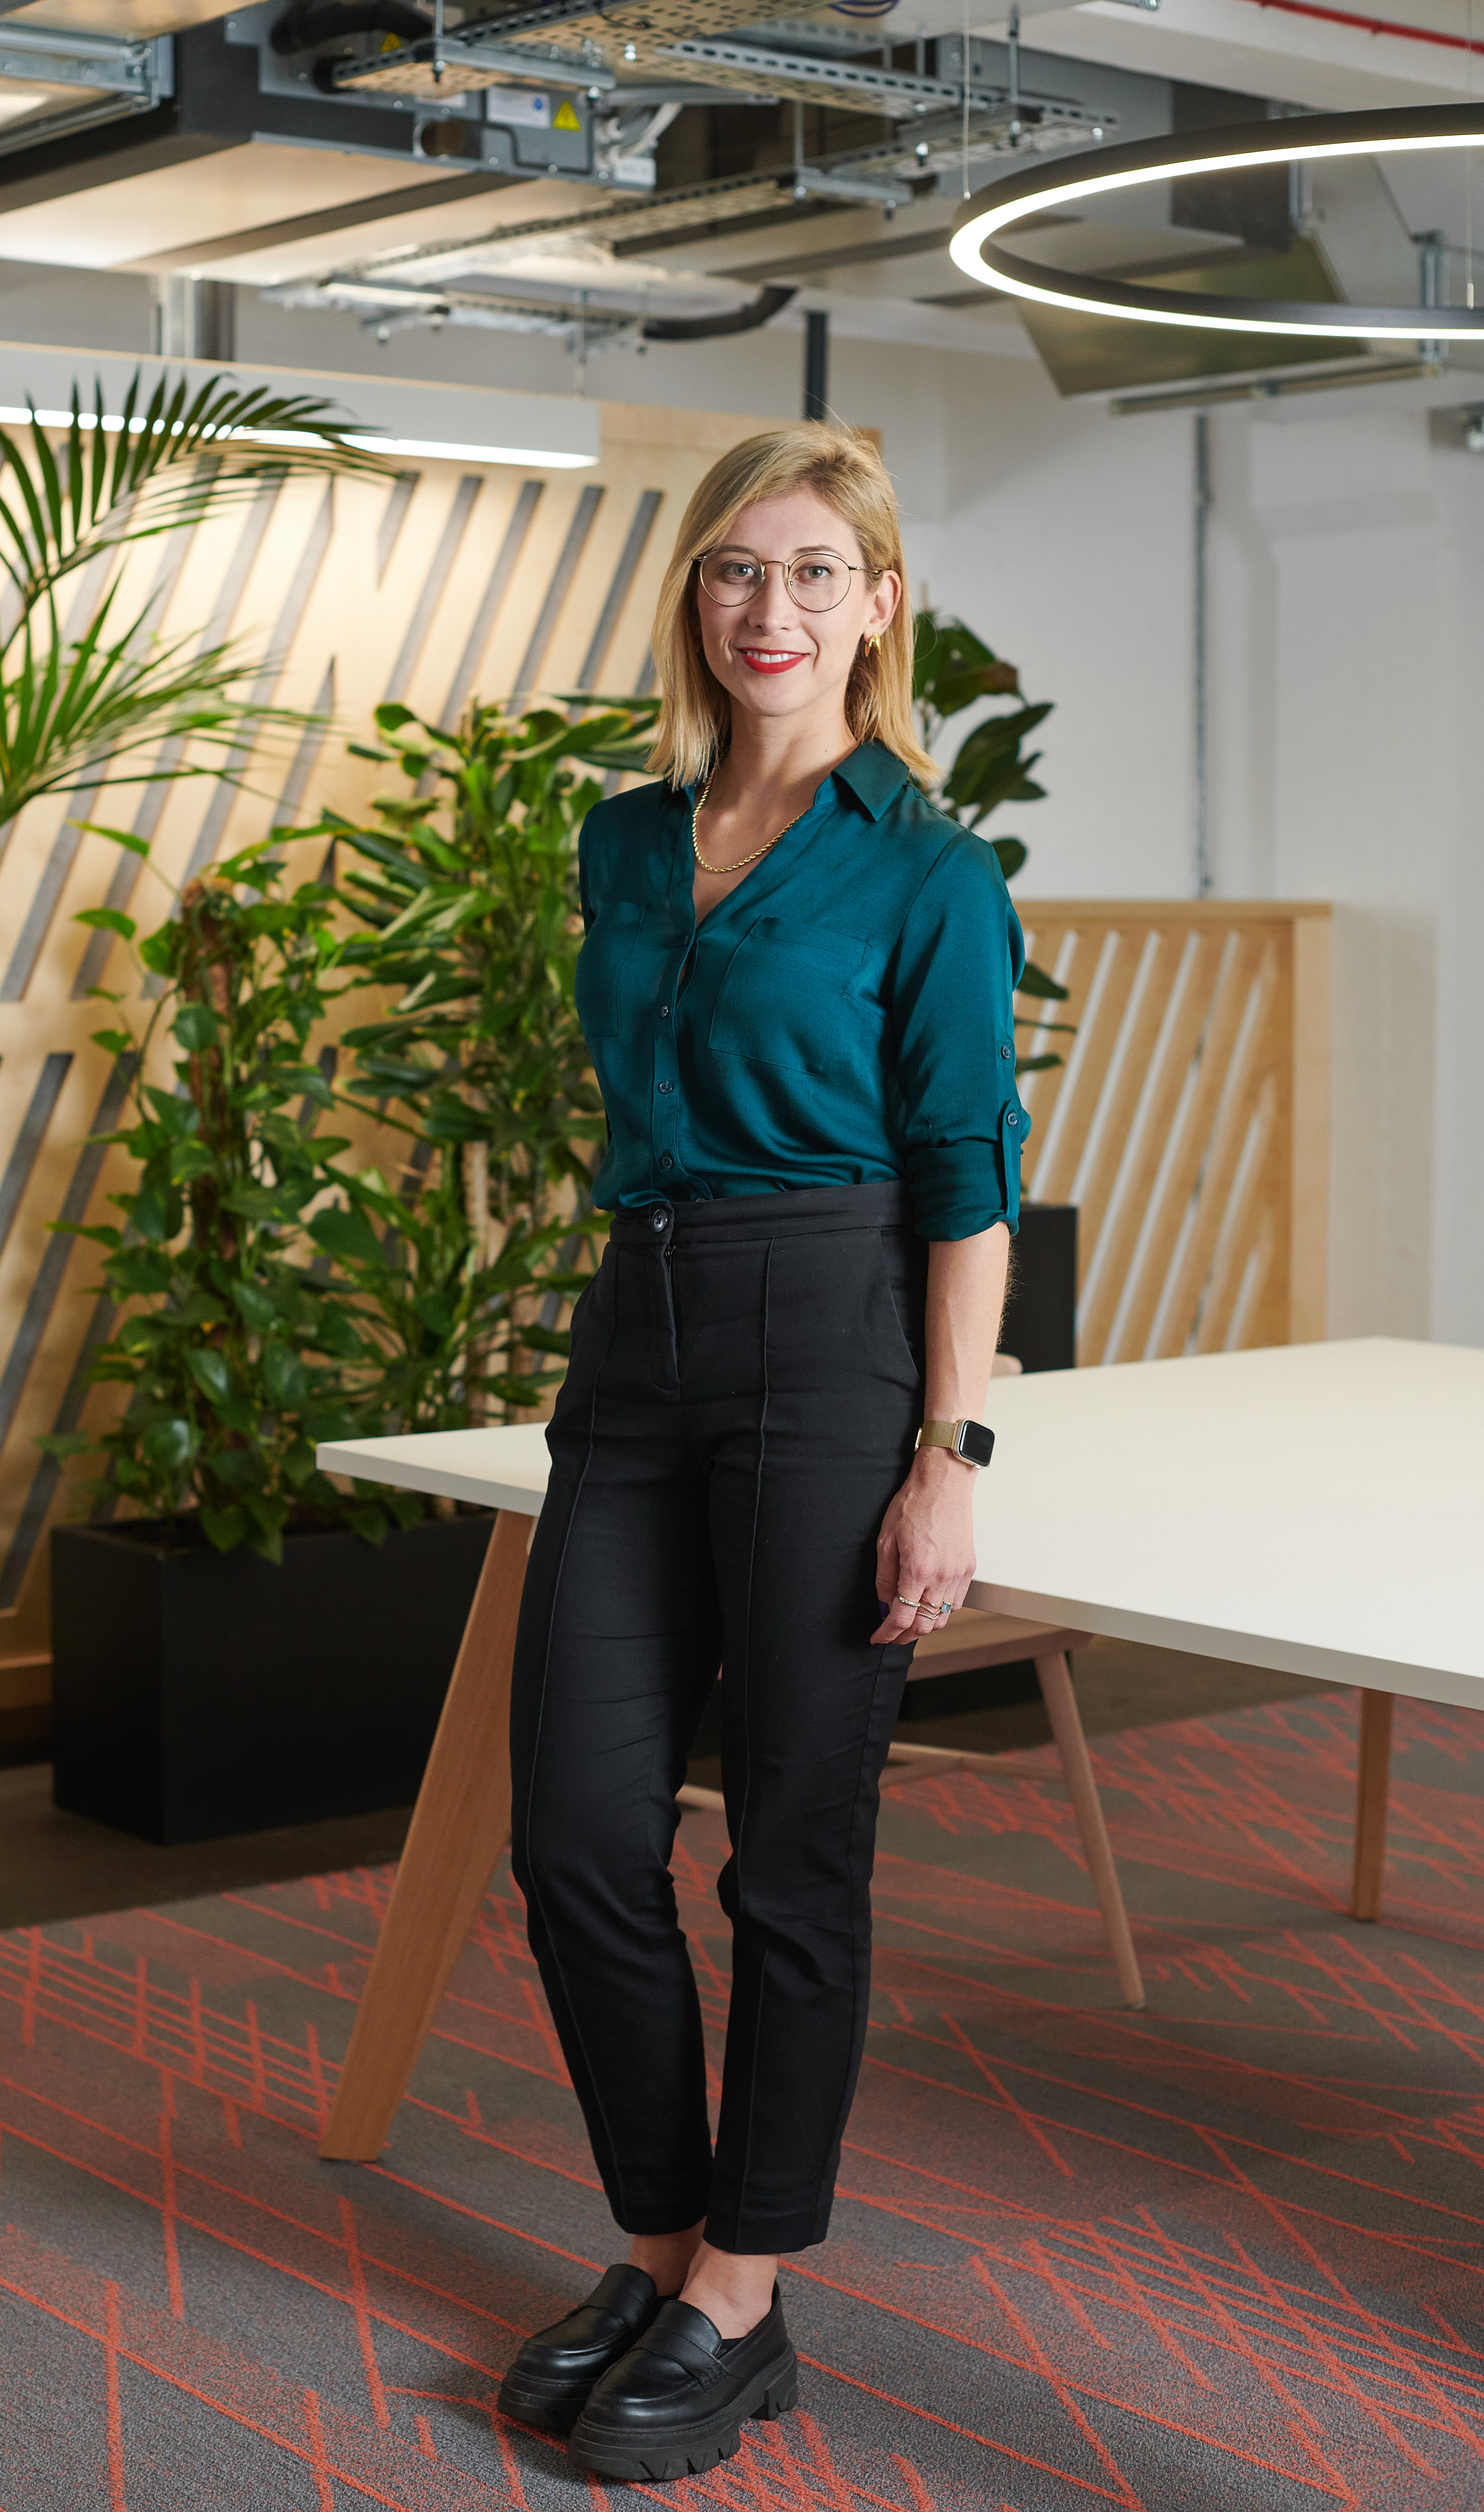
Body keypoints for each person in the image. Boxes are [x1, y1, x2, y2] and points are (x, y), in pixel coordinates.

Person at [496, 421, 1029, 2484]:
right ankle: (659, 2247)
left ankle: (744, 2296)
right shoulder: (624, 844)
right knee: (573, 1837)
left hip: (831, 1334)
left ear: (878, 606)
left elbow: (964, 1182)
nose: (770, 610)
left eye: (816, 573)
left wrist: (945, 1453)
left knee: (793, 1860)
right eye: (735, 570)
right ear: (692, 602)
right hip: (635, 1337)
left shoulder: (925, 870)